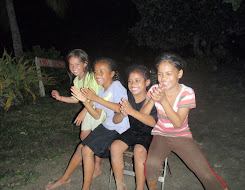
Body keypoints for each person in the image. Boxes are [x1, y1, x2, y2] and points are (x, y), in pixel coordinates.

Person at [140, 53, 229, 190]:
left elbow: (178, 123)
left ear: (179, 74)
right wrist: (153, 99)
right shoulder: (154, 89)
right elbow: (143, 113)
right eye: (160, 74)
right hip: (161, 135)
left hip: (181, 136)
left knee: (204, 172)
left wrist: (163, 100)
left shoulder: (187, 93)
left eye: (169, 73)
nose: (163, 78)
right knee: (151, 165)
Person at [45, 58, 130, 190]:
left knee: (86, 150)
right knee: (81, 147)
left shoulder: (116, 86)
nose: (98, 75)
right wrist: (84, 101)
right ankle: (64, 178)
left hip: (118, 129)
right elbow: (96, 114)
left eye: (102, 71)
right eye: (96, 72)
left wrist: (95, 98)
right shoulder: (102, 91)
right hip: (107, 126)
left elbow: (121, 108)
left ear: (112, 74)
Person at [51, 49, 104, 178]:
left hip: (99, 109)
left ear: (85, 63)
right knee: (84, 136)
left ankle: (97, 166)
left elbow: (95, 97)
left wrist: (83, 111)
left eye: (77, 64)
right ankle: (88, 156)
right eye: (71, 64)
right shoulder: (76, 80)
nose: (73, 67)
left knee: (96, 138)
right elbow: (76, 99)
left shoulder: (92, 77)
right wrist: (60, 98)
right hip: (87, 110)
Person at [110, 65, 157, 190]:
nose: (132, 84)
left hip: (150, 132)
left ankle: (139, 188)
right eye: (130, 81)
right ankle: (120, 186)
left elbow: (153, 123)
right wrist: (122, 113)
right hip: (133, 130)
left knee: (139, 150)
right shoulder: (127, 97)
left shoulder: (153, 98)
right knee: (115, 147)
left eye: (137, 80)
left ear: (147, 82)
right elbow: (115, 120)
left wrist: (131, 111)